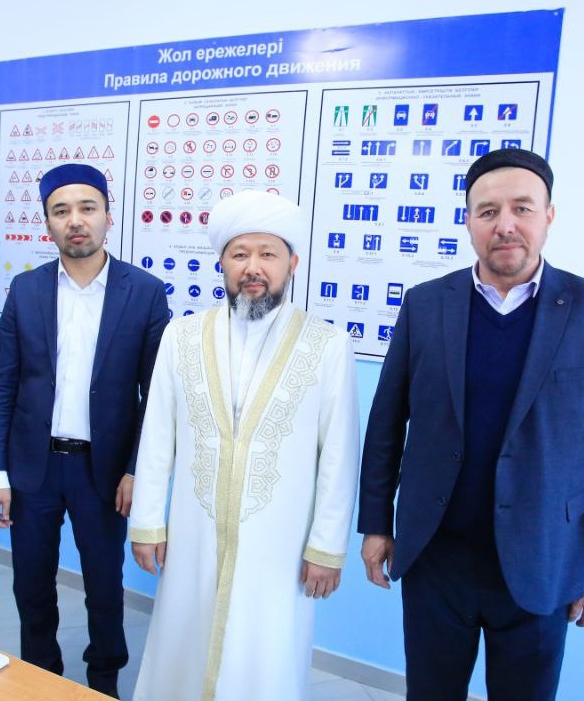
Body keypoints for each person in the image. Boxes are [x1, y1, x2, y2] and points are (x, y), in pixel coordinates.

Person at [358, 148, 584, 700]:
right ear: (469, 221)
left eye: (522, 208)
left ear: (548, 216)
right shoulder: (425, 305)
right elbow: (386, 424)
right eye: (488, 211)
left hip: (544, 560)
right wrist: (376, 523)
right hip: (435, 556)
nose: (505, 224)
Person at [128, 190, 360, 701]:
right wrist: (147, 523)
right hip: (194, 533)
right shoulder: (181, 337)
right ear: (222, 264)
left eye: (267, 254)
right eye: (239, 254)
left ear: (291, 264)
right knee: (182, 642)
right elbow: (157, 438)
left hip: (280, 544)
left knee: (267, 653)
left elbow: (339, 457)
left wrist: (326, 547)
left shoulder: (327, 345)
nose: (253, 268)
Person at [0, 163, 168, 697]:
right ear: (48, 223)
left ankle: (103, 683)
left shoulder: (144, 292)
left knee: (105, 588)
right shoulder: (26, 290)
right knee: (31, 585)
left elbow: (156, 397)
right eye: (61, 211)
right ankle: (40, 678)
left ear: (108, 215)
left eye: (87, 207)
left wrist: (136, 470)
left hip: (103, 472)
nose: (75, 220)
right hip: (32, 468)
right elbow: (2, 385)